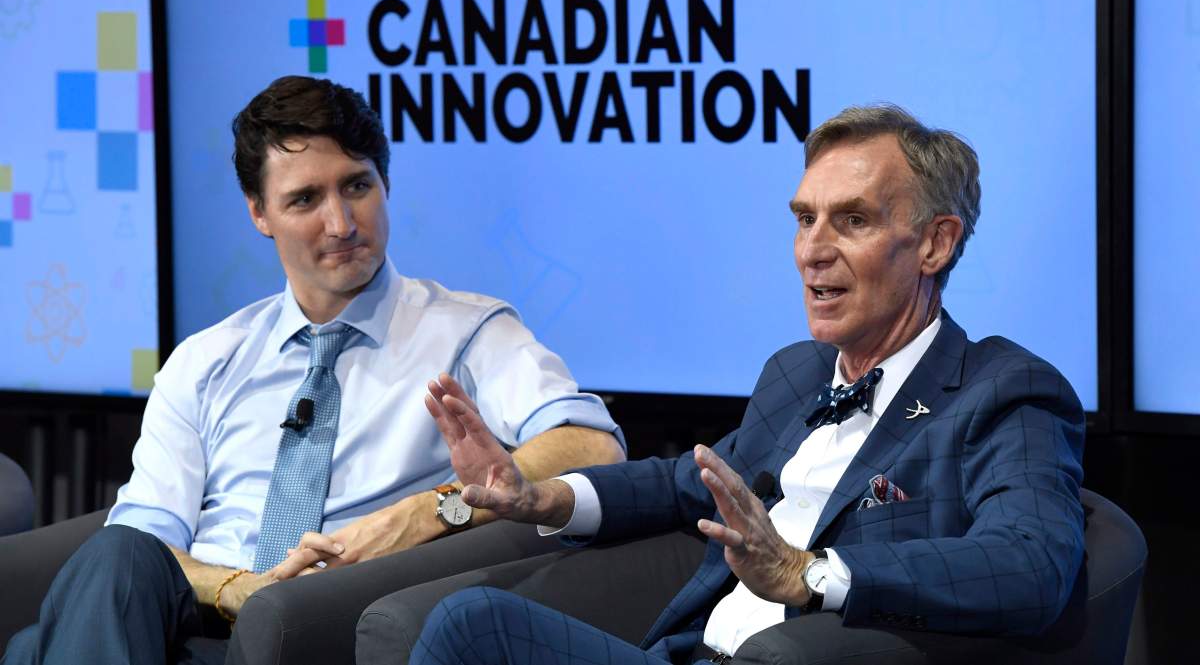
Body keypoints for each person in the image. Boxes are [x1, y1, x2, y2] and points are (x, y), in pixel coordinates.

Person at [410, 104, 1086, 665]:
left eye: (852, 220)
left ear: (936, 243)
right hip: (687, 651)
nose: (812, 249)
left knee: (479, 626)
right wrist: (541, 496)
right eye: (804, 217)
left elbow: (1031, 562)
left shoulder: (1004, 390)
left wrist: (809, 571)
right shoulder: (796, 372)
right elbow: (685, 481)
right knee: (460, 620)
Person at [2, 76, 625, 665]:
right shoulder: (206, 360)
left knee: (36, 649)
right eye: (305, 199)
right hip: (195, 619)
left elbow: (595, 448)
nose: (342, 224)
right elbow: (145, 541)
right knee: (113, 559)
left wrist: (430, 512)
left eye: (357, 186)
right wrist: (237, 589)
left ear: (386, 183)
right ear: (259, 213)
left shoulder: (467, 333)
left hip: (333, 618)